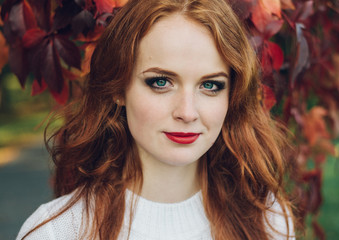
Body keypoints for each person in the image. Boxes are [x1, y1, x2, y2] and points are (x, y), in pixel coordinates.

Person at [17, 0, 296, 239]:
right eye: (161, 82)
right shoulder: (56, 232)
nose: (187, 112)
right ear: (118, 88)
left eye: (210, 85)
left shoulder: (268, 221)